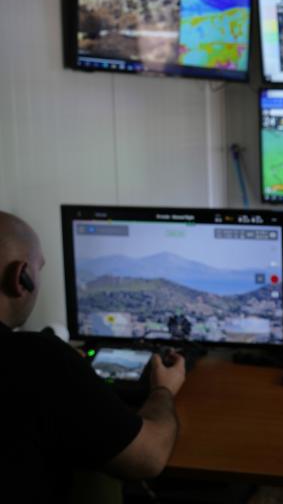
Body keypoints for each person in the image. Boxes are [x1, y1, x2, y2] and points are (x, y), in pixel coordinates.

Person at [0, 210, 186, 502]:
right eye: (38, 268)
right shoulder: (37, 360)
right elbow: (149, 457)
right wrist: (164, 389)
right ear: (20, 277)